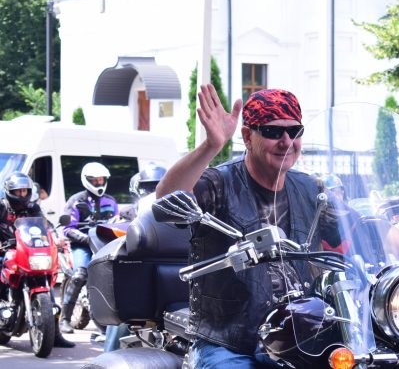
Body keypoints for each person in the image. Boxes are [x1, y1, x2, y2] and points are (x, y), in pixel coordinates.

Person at [155, 85, 347, 368]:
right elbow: (167, 197)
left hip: (298, 334)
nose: (286, 141)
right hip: (230, 341)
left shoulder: (310, 189)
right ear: (247, 136)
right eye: (272, 131)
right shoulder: (219, 184)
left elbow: (359, 229)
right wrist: (211, 146)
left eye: (294, 131)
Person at [0, 172, 75, 348]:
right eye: (18, 191)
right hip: (5, 250)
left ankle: (54, 335)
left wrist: (55, 237)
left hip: (26, 250)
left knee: (46, 285)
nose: (22, 195)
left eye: (25, 191)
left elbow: (45, 225)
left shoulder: (32, 207)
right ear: (10, 191)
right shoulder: (2, 207)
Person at [102, 163, 168, 353]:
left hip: (169, 276)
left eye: (157, 185)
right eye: (150, 186)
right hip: (149, 273)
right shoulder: (129, 212)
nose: (154, 190)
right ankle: (107, 359)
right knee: (124, 310)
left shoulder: (183, 203)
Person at [59, 162, 119, 334]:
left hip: (106, 244)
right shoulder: (76, 201)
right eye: (95, 180)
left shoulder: (111, 201)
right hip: (82, 245)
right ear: (87, 180)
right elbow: (67, 229)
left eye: (101, 180)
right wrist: (86, 238)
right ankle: (64, 319)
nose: (99, 183)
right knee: (79, 276)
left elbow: (117, 222)